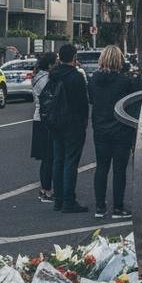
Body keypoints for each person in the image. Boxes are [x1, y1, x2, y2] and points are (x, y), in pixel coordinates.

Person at [89, 45, 142, 219]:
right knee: (119, 170)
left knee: (102, 167)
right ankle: (118, 207)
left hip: (100, 128)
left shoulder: (93, 80)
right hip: (121, 129)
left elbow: (92, 100)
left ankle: (100, 206)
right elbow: (134, 104)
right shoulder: (126, 82)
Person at [47, 43, 91, 213]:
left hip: (56, 122)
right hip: (73, 123)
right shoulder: (76, 77)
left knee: (58, 160)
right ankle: (68, 200)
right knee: (70, 162)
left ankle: (58, 199)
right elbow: (82, 103)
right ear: (74, 57)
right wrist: (83, 122)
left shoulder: (54, 75)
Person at [30, 51, 58, 204]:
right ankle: (47, 191)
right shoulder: (46, 78)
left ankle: (43, 189)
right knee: (49, 157)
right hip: (45, 119)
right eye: (56, 62)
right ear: (50, 65)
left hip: (38, 118)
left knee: (46, 158)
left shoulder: (37, 76)